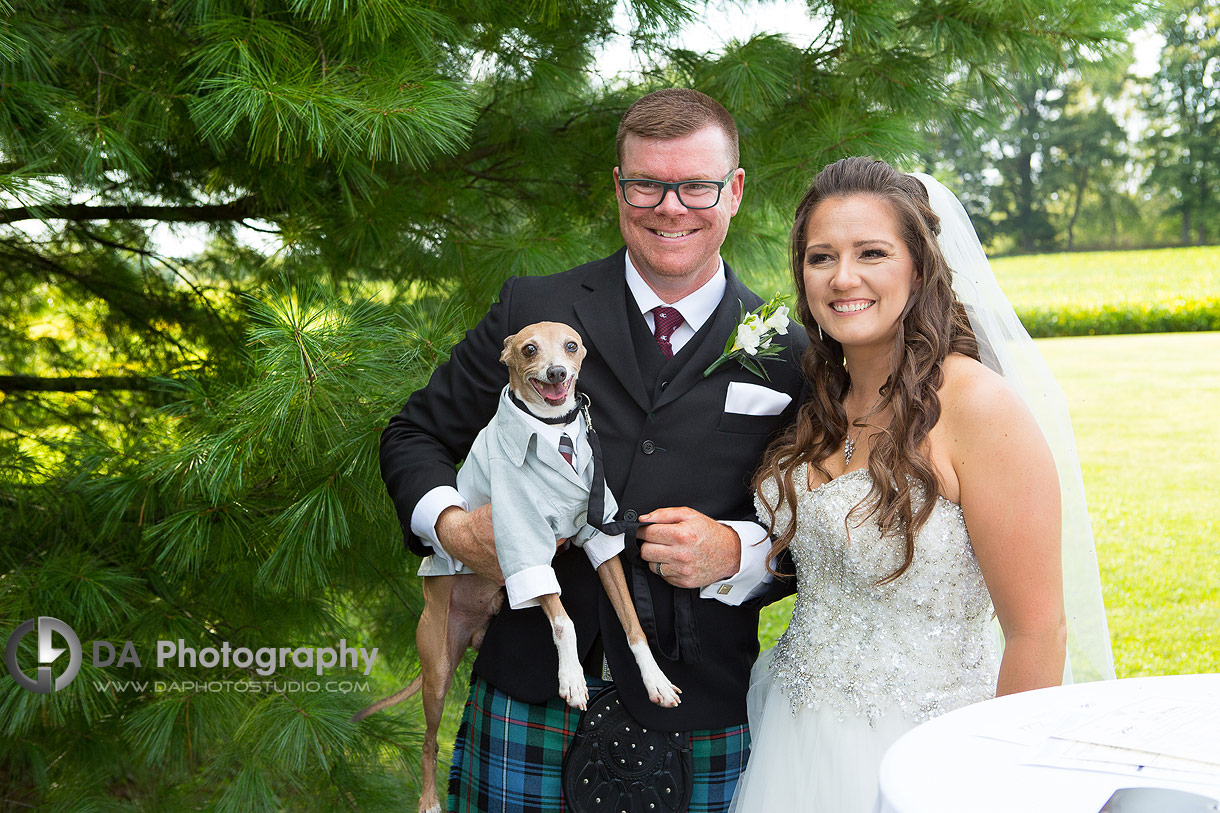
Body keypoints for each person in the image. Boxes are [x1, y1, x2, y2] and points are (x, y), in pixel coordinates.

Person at [380, 88, 807, 812]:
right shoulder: (532, 312)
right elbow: (414, 433)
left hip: (696, 704)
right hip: (528, 692)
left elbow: (834, 527)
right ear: (619, 188)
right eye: (646, 182)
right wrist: (451, 525)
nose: (670, 206)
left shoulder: (791, 352)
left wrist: (738, 552)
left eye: (696, 185)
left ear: (733, 191)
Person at [727, 156, 1114, 812]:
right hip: (796, 739)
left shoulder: (978, 407)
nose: (843, 277)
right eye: (821, 257)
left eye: (871, 252)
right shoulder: (821, 397)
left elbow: (1037, 631)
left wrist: (991, 780)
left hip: (926, 754)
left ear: (919, 264)